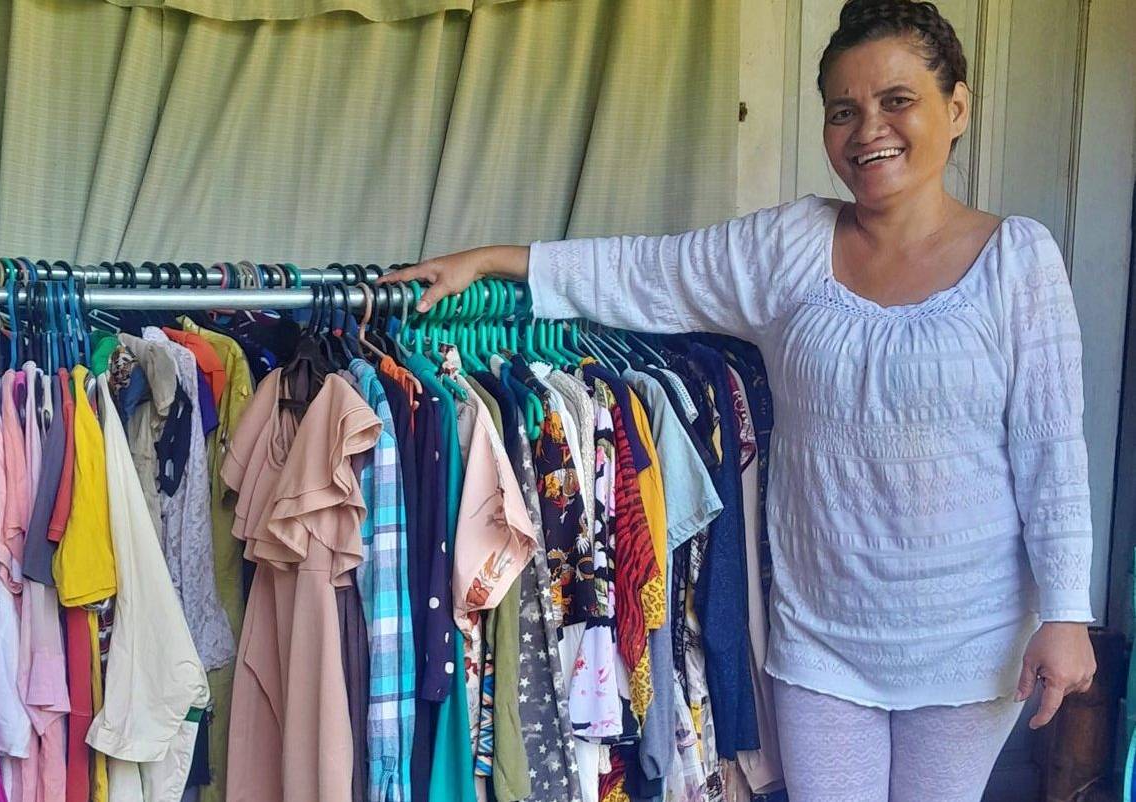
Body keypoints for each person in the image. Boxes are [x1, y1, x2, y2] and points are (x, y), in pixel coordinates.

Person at [380, 0, 1097, 799]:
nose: (868, 131)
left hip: (970, 637)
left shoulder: (1016, 261)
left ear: (955, 107)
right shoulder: (788, 247)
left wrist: (1066, 612)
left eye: (897, 101)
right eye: (842, 112)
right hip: (822, 638)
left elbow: (1051, 449)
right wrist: (490, 260)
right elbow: (648, 272)